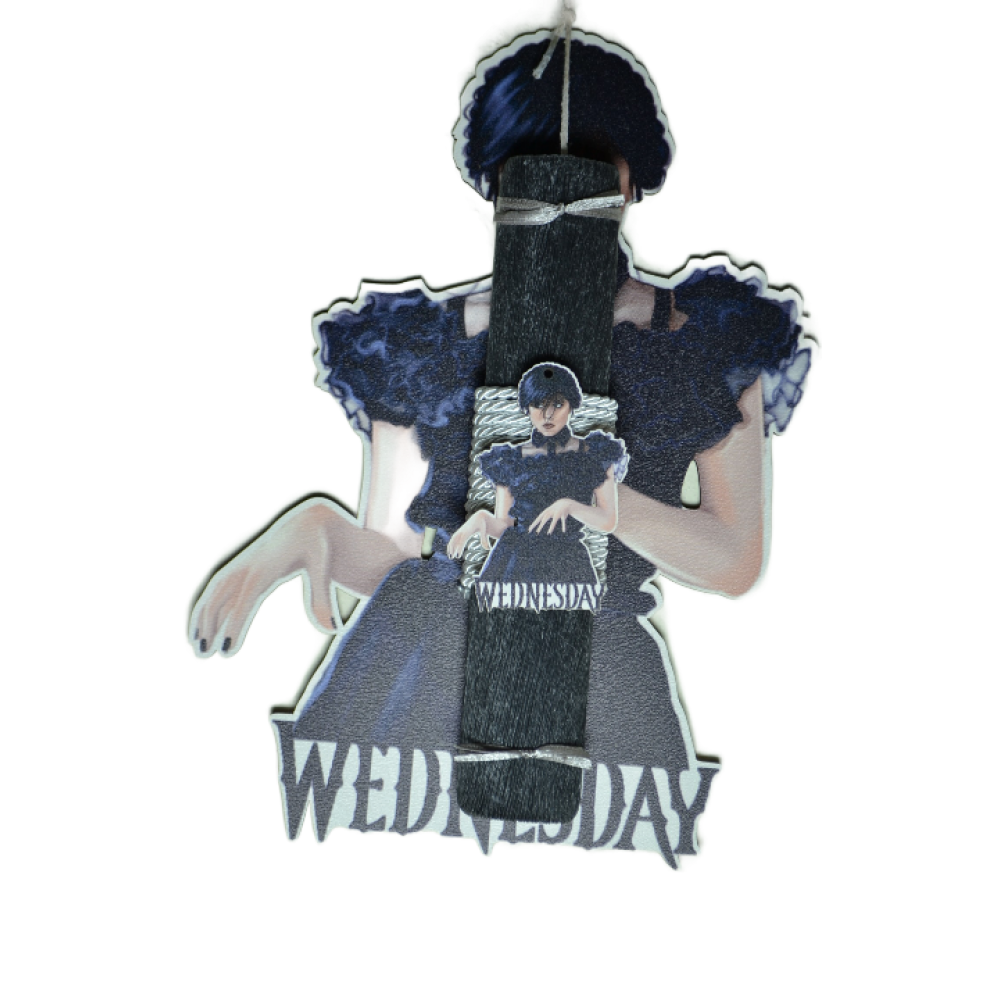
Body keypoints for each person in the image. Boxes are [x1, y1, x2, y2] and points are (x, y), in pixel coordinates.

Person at [186, 29, 818, 831]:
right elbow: (398, 563)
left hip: (604, 690)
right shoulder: (417, 342)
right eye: (523, 175)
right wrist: (314, 531)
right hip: (417, 683)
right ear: (489, 186)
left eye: (590, 169)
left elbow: (736, 561)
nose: (556, 195)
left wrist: (599, 504)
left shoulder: (707, 340)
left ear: (629, 179)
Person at [448, 363, 627, 609]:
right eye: (538, 405)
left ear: (572, 405)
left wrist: (569, 506)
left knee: (570, 622)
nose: (547, 415)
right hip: (515, 561)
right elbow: (505, 527)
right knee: (503, 623)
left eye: (557, 404)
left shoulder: (595, 453)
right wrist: (481, 519)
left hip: (568, 563)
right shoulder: (509, 459)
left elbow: (608, 521)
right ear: (526, 408)